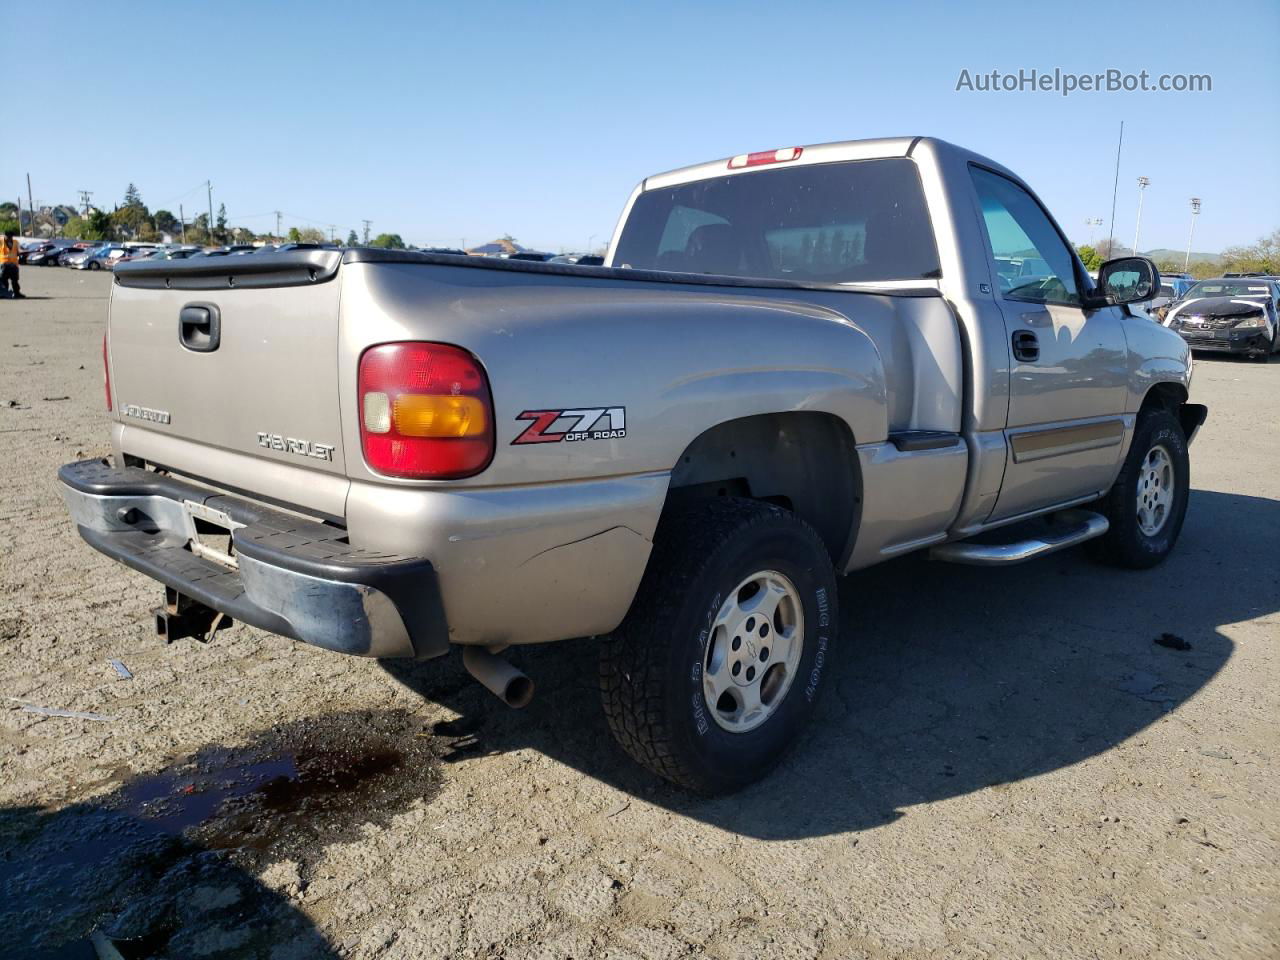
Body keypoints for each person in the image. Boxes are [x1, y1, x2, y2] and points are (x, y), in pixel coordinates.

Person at [0, 229, 22, 299]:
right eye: (8, 236)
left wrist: (21, 253)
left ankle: (17, 293)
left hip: (13, 265)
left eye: (11, 236)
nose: (9, 238)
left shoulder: (16, 242)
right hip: (4, 264)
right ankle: (4, 293)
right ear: (5, 236)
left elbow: (19, 251)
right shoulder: (1, 242)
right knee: (3, 280)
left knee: (15, 280)